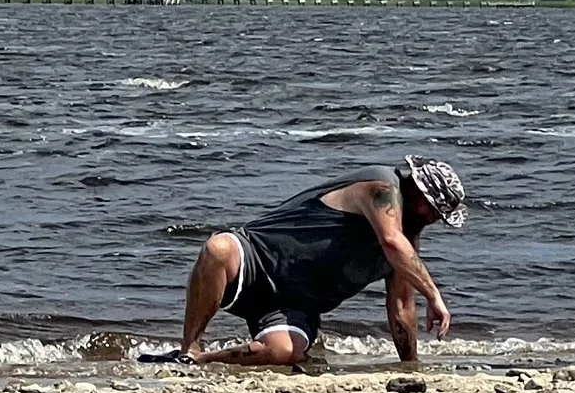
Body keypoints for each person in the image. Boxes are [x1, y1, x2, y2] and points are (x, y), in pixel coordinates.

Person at [179, 157, 468, 368]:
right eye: (432, 211)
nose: (432, 221)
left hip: (295, 306)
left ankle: (199, 361)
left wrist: (410, 366)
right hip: (256, 259)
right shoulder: (381, 186)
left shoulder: (406, 246)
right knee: (218, 248)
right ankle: (189, 345)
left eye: (438, 217)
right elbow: (390, 241)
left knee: (284, 354)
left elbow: (403, 308)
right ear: (417, 191)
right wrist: (434, 295)